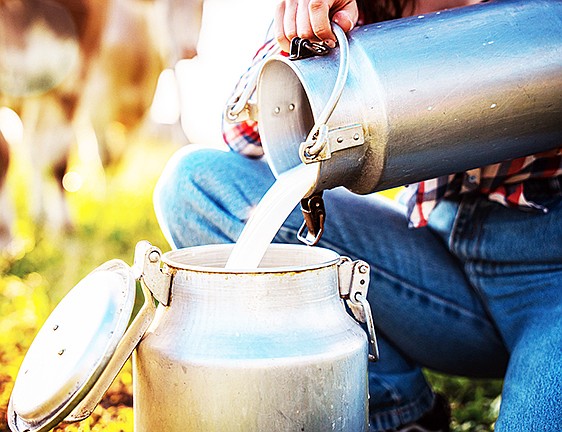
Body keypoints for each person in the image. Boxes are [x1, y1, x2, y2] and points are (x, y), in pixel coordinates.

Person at [154, 0, 562, 430]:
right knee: (197, 185)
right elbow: (246, 134)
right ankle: (398, 407)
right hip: (437, 266)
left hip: (550, 276)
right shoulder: (367, 9)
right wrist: (306, 34)